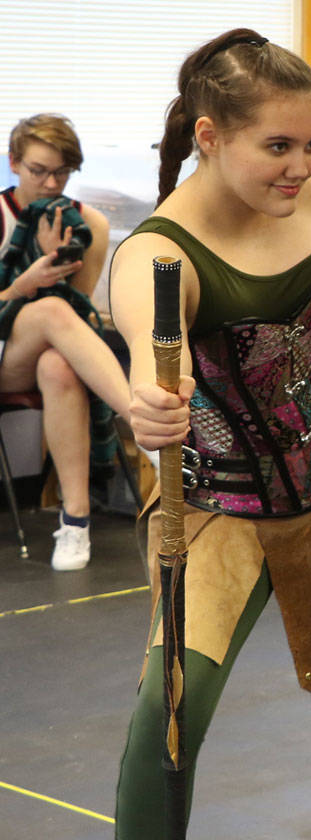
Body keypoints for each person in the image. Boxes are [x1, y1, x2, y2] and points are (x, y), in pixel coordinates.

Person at [108, 29, 311, 840]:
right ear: (210, 137)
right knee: (171, 703)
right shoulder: (156, 252)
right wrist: (151, 403)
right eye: (277, 145)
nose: (301, 165)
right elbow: (151, 356)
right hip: (220, 503)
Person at [1, 113, 132, 570]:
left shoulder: (86, 224)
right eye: (39, 170)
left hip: (45, 353)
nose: (51, 182)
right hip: (3, 353)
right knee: (52, 311)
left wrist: (57, 275)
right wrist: (24, 285)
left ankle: (75, 523)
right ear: (14, 163)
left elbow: (79, 321)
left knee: (58, 362)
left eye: (62, 172)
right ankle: (138, 417)